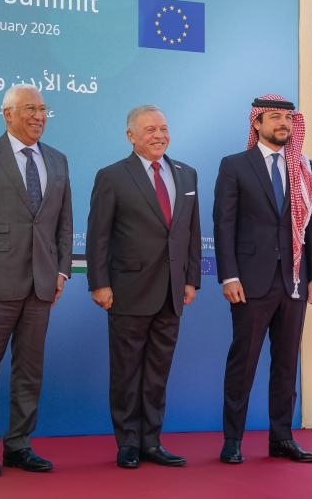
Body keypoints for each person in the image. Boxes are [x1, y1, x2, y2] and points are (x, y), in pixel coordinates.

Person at [0, 84, 73, 477]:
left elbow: (64, 222)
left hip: (41, 284)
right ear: (7, 114)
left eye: (43, 109)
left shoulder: (58, 159)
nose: (39, 116)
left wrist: (61, 270)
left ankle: (20, 444)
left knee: (30, 369)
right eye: (30, 109)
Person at [86, 105, 201, 469]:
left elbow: (192, 233)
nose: (159, 135)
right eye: (150, 129)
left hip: (172, 292)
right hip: (127, 290)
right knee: (127, 372)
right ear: (131, 136)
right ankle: (128, 443)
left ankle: (152, 440)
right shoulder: (112, 176)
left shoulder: (187, 175)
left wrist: (191, 279)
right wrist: (99, 284)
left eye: (164, 128)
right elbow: (98, 236)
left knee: (157, 372)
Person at [213, 94, 312, 464]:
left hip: (294, 282)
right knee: (243, 362)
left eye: (288, 119)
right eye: (275, 117)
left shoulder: (305, 168)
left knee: (286, 364)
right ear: (257, 123)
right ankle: (232, 441)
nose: (283, 124)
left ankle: (281, 438)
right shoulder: (235, 166)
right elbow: (224, 225)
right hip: (250, 281)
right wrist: (228, 275)